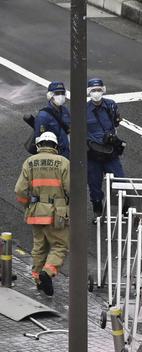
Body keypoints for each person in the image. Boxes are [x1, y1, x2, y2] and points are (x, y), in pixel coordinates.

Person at [14, 131, 70, 297]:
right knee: (60, 245)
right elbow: (71, 189)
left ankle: (38, 279)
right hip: (57, 212)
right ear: (55, 146)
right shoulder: (63, 162)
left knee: (39, 247)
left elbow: (19, 190)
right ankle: (48, 271)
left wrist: (28, 205)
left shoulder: (29, 162)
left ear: (39, 145)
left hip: (36, 211)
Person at [86, 77, 125, 218]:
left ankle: (125, 209)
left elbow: (116, 124)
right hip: (92, 154)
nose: (96, 93)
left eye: (99, 90)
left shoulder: (111, 105)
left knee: (120, 180)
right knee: (94, 184)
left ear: (103, 90)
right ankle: (97, 210)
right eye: (93, 90)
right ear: (89, 92)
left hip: (110, 152)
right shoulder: (83, 109)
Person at [34, 81, 71, 159]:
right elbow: (38, 139)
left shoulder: (65, 111)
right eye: (57, 93)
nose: (61, 96)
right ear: (51, 95)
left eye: (62, 93)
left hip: (66, 153)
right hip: (53, 156)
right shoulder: (43, 116)